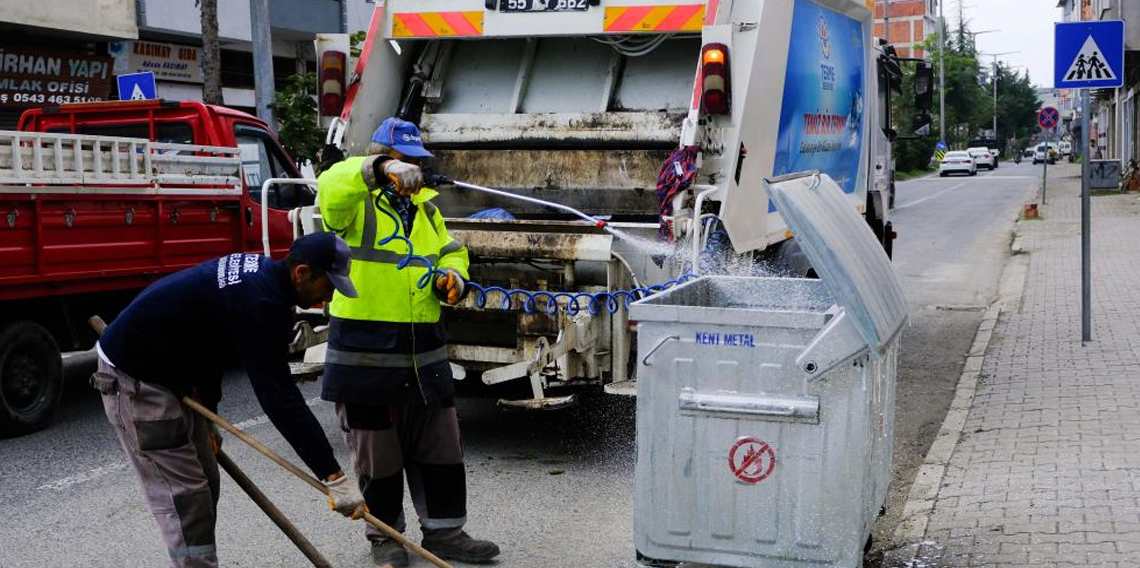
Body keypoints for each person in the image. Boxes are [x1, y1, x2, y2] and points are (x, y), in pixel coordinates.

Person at [93, 232, 367, 568]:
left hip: (173, 371)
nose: (327, 300)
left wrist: (208, 413)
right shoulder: (261, 302)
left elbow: (212, 342)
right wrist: (333, 476)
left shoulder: (266, 282)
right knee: (186, 499)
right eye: (328, 287)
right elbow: (278, 397)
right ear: (302, 273)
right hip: (136, 378)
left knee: (207, 481)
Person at [317, 117, 499, 567]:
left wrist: (454, 276)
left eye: (417, 163)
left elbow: (451, 250)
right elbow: (330, 186)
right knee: (378, 459)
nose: (413, 174)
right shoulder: (355, 203)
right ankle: (385, 539)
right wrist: (378, 170)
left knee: (441, 449)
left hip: (424, 353)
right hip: (366, 353)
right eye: (404, 164)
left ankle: (446, 534)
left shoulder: (428, 211)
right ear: (384, 159)